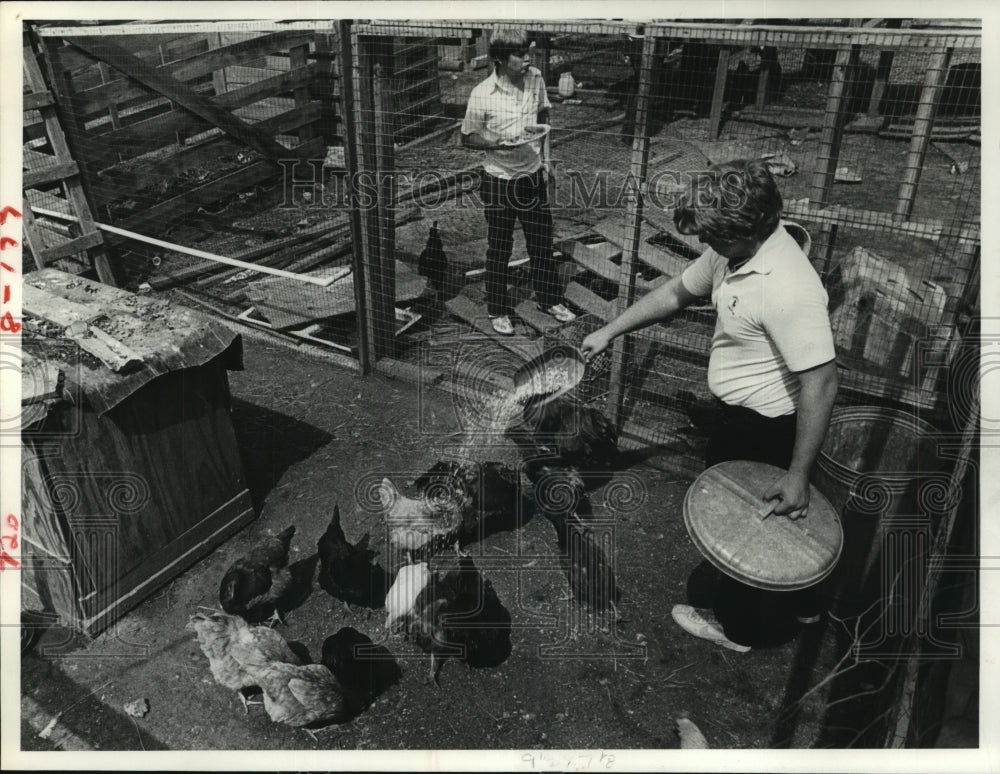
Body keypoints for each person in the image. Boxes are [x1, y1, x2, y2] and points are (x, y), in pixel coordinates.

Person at [580, 159, 839, 652]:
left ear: (746, 231)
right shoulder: (734, 253)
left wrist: (799, 471)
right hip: (745, 418)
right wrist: (611, 330)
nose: (707, 247)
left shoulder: (787, 286)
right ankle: (804, 603)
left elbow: (822, 382)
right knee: (784, 523)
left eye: (714, 239)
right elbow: (678, 292)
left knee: (744, 526)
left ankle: (736, 628)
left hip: (765, 427)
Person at [461, 28, 576, 336]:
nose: (528, 58)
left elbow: (544, 119)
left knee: (541, 242)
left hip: (532, 176)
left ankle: (549, 299)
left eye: (528, 52)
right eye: (520, 54)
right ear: (500, 59)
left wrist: (548, 162)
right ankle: (497, 307)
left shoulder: (536, 78)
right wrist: (495, 143)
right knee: (499, 247)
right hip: (498, 180)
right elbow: (467, 137)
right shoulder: (482, 94)